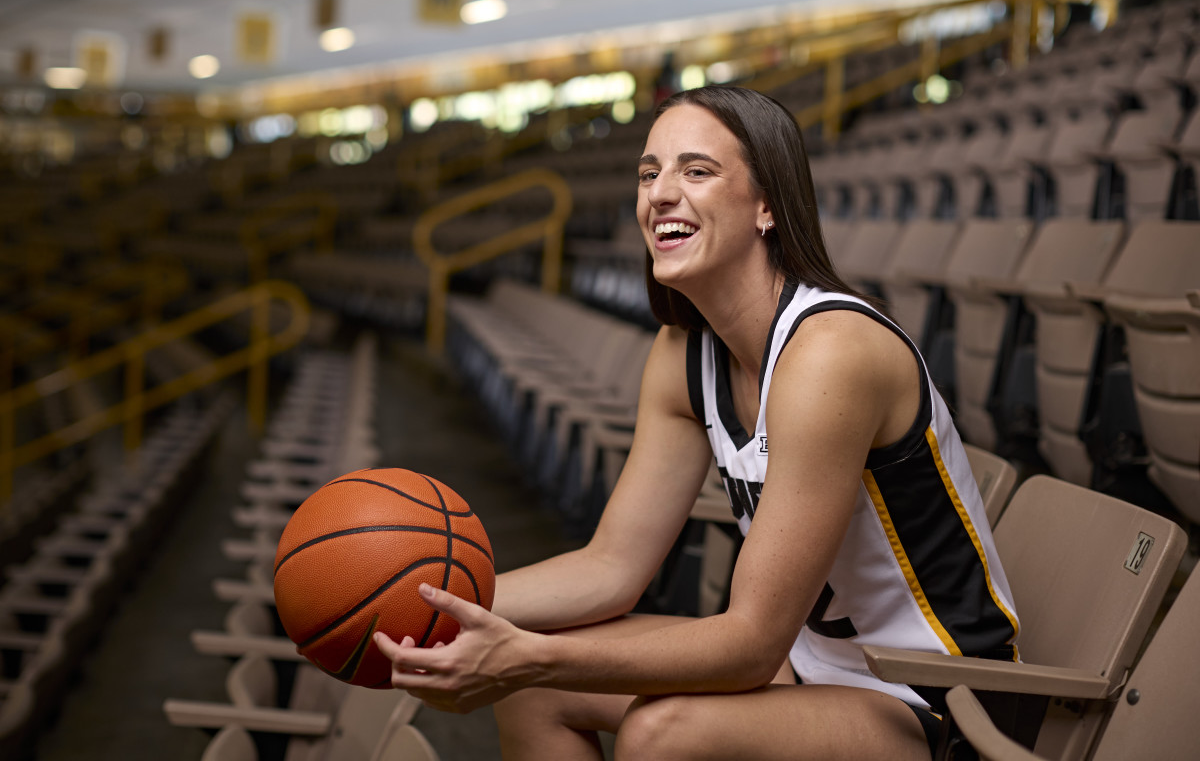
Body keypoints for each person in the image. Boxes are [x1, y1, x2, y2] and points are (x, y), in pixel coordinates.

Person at [374, 85, 1020, 760]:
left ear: (767, 205)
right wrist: (432, 603)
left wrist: (530, 655)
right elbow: (612, 566)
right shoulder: (684, 351)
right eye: (649, 173)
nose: (659, 193)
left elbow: (749, 643)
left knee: (663, 732)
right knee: (534, 695)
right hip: (812, 667)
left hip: (944, 701)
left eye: (697, 171)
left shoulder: (832, 353)